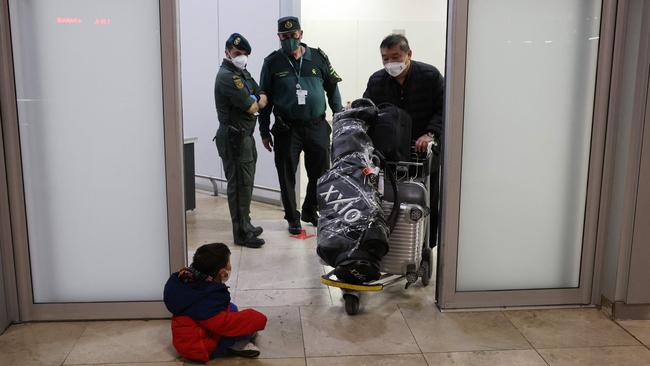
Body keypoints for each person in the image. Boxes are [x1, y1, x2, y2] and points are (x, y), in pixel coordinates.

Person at [259, 16, 343, 234]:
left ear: (301, 34)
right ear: (279, 37)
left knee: (321, 172)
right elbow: (264, 98)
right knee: (286, 174)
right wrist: (264, 130)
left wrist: (340, 116)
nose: (289, 39)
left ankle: (310, 209)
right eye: (284, 36)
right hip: (287, 128)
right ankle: (292, 217)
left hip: (316, 125)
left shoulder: (318, 58)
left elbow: (332, 89)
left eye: (293, 35)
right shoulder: (271, 63)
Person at [362, 34, 444, 247]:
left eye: (396, 56)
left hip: (422, 152)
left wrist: (431, 133)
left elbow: (444, 108)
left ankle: (425, 244)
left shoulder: (430, 76)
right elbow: (369, 110)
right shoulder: (377, 80)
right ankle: (389, 242)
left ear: (409, 54)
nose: (391, 63)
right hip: (389, 153)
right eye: (385, 58)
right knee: (386, 198)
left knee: (426, 198)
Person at [164, 243, 267, 362]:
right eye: (228, 263)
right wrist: (256, 319)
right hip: (199, 348)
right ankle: (235, 345)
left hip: (188, 338)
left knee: (231, 308)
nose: (230, 266)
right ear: (222, 272)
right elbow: (224, 325)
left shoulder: (187, 281)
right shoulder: (207, 299)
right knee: (246, 330)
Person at [214, 33, 267, 248]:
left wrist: (257, 98)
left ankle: (246, 223)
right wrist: (256, 100)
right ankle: (241, 234)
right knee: (238, 186)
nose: (242, 57)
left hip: (245, 136)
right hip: (234, 138)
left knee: (246, 184)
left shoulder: (241, 73)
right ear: (227, 51)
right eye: (237, 53)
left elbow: (261, 92)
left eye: (245, 54)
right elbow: (252, 105)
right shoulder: (228, 77)